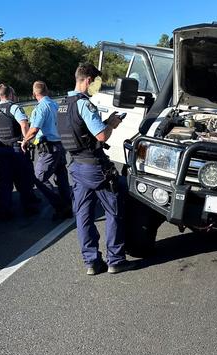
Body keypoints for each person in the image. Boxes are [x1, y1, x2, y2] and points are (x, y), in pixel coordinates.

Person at [57, 63, 135, 275]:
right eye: (97, 83)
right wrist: (111, 123)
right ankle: (116, 259)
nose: (97, 88)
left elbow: (77, 132)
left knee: (83, 215)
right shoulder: (84, 104)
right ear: (89, 80)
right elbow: (101, 135)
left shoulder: (63, 105)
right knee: (114, 210)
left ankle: (91, 262)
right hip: (94, 166)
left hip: (76, 165)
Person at [21, 81, 72, 220]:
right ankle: (68, 206)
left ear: (34, 94)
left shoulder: (41, 108)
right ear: (47, 90)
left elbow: (34, 129)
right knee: (61, 177)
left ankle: (61, 206)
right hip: (61, 145)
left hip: (50, 148)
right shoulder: (57, 105)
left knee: (39, 177)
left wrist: (25, 140)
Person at [0, 83, 39, 218]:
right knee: (23, 179)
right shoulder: (14, 108)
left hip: (2, 149)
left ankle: (5, 210)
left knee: (5, 182)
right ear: (10, 94)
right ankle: (29, 207)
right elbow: (23, 123)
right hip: (16, 147)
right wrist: (26, 140)